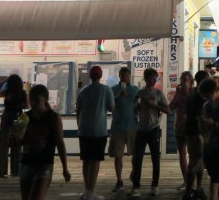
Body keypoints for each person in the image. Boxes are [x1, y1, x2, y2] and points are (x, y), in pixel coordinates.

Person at [19, 84, 71, 200]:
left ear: (45, 99)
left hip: (44, 164)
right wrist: (17, 138)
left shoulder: (53, 118)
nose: (32, 103)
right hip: (26, 162)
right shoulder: (24, 117)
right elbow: (15, 142)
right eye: (31, 100)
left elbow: (60, 143)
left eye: (36, 100)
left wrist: (65, 168)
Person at [76, 65, 114, 200]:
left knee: (86, 161)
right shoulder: (106, 90)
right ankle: (92, 191)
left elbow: (78, 111)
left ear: (90, 76)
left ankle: (86, 190)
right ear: (101, 76)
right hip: (99, 130)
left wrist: (79, 126)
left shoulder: (83, 91)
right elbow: (111, 108)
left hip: (84, 129)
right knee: (96, 161)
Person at [130, 67, 169, 198]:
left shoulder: (159, 93)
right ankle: (136, 187)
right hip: (141, 129)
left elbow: (168, 110)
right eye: (152, 77)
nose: (154, 80)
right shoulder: (139, 93)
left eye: (155, 78)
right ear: (146, 78)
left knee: (155, 158)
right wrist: (137, 107)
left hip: (154, 129)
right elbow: (134, 111)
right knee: (137, 159)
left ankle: (155, 185)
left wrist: (155, 105)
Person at [110, 67, 138, 193]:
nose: (123, 78)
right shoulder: (113, 90)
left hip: (132, 126)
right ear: (119, 76)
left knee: (135, 154)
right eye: (121, 76)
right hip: (117, 127)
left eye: (126, 76)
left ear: (129, 77)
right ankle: (119, 180)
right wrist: (118, 96)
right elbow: (109, 107)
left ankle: (134, 173)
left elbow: (138, 106)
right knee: (118, 155)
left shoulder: (134, 89)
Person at [0, 74, 28, 178]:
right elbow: (27, 106)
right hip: (19, 119)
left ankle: (1, 171)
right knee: (17, 145)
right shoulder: (23, 93)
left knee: (3, 146)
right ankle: (16, 171)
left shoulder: (7, 92)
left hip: (7, 118)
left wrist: (2, 83)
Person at [183, 70, 209, 199]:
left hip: (191, 130)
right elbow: (199, 116)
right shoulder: (199, 96)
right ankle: (188, 191)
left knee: (199, 161)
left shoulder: (193, 93)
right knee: (195, 162)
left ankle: (198, 188)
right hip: (196, 132)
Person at [167, 71, 193, 190]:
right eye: (182, 79)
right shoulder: (178, 94)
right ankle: (186, 181)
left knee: (193, 155)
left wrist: (187, 93)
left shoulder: (194, 93)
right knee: (182, 154)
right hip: (179, 127)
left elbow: (194, 107)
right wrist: (176, 95)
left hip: (192, 128)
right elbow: (170, 108)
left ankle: (193, 183)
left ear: (191, 82)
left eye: (186, 79)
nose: (183, 82)